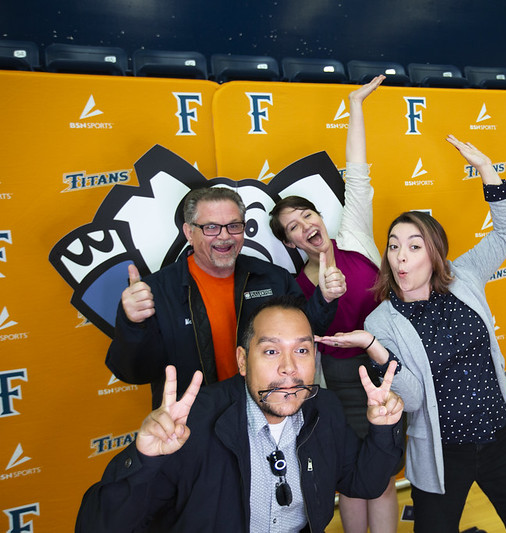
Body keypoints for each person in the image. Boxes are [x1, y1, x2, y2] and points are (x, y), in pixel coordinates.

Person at [317, 137, 506, 533]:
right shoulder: (381, 322)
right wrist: (373, 349)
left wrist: (487, 168)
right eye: (393, 247)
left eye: (413, 245)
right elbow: (412, 399)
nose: (401, 255)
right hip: (442, 454)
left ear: (434, 253)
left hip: (501, 438)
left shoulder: (466, 277)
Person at [76, 296, 405, 533]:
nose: (289, 368)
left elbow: (364, 482)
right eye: (272, 351)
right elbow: (99, 525)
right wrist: (144, 462)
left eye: (302, 350)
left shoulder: (324, 410)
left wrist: (383, 428)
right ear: (243, 360)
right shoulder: (192, 424)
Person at [268, 75, 400, 533]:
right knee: (349, 476)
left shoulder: (355, 236)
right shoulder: (294, 287)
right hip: (334, 380)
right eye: (292, 227)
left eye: (307, 215)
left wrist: (355, 104)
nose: (304, 225)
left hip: (385, 363)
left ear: (321, 217)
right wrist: (323, 294)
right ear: (289, 243)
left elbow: (357, 170)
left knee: (381, 472)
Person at [106, 186, 345, 409]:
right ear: (189, 232)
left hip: (263, 415)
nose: (224, 237)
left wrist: (324, 298)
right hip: (193, 426)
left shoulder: (272, 278)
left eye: (234, 226)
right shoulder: (155, 291)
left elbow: (307, 333)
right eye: (211, 227)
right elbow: (134, 373)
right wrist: (132, 324)